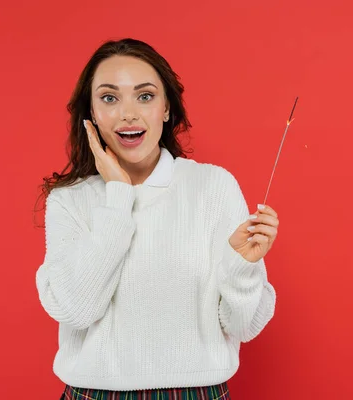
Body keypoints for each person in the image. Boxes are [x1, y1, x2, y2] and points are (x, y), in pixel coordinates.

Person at [34, 38, 278, 399]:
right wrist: (118, 197)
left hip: (196, 392)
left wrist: (242, 267)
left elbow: (244, 326)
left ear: (166, 109)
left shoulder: (213, 187)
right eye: (109, 98)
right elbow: (75, 310)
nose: (128, 113)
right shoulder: (71, 200)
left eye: (145, 96)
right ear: (92, 114)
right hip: (95, 393)